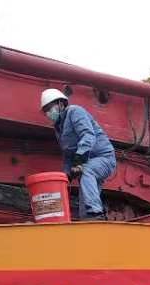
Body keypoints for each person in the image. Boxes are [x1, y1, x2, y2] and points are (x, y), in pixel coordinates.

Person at [40, 89, 116, 220]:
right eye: (45, 110)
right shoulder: (58, 128)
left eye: (49, 108)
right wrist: (66, 176)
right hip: (88, 162)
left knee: (86, 171)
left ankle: (96, 214)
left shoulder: (75, 112)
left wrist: (79, 161)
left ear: (60, 104)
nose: (48, 113)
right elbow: (67, 154)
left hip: (104, 158)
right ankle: (88, 220)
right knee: (86, 195)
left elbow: (88, 135)